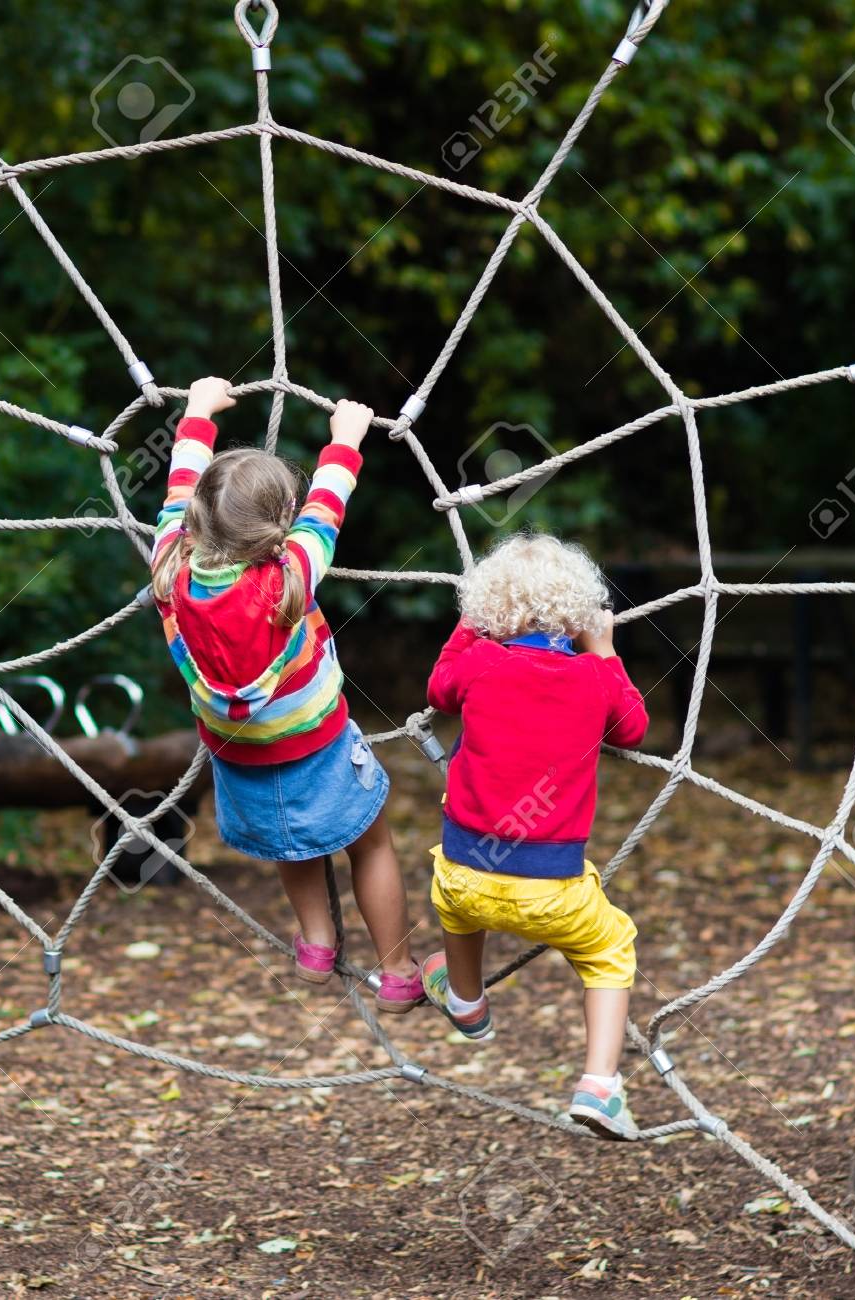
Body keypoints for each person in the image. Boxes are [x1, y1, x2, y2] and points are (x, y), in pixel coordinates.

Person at [149, 377, 422, 1010]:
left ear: (194, 522)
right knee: (371, 844)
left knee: (291, 844)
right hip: (318, 749)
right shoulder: (290, 574)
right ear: (281, 523)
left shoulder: (169, 569)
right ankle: (399, 971)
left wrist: (196, 412)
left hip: (238, 756)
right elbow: (327, 504)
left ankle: (317, 943)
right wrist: (346, 439)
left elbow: (178, 487)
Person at [420, 533, 648, 1137]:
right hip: (552, 890)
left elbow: (438, 688)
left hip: (464, 873)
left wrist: (468, 628)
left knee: (455, 905)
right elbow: (632, 729)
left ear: (490, 612)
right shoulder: (593, 677)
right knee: (611, 949)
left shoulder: (479, 661)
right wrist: (605, 650)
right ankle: (599, 1086)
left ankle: (467, 1000)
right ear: (577, 614)